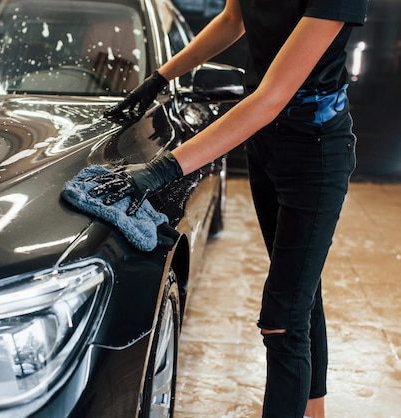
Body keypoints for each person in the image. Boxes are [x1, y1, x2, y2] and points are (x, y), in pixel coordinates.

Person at [84, 0, 369, 417]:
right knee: (302, 297)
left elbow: (271, 95)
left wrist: (165, 168)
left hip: (316, 152)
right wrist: (161, 76)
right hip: (265, 144)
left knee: (281, 320)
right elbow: (234, 18)